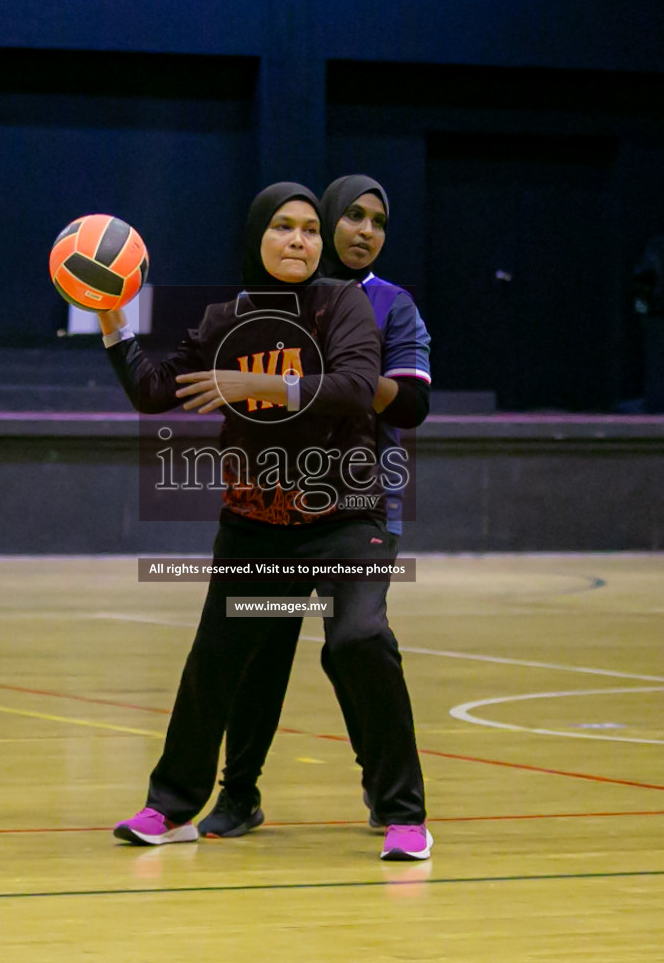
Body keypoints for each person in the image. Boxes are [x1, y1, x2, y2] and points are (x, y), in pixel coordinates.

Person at [100, 182, 432, 861]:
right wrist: (112, 322)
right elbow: (155, 390)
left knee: (360, 638)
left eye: (311, 230)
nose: (300, 241)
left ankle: (403, 814)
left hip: (344, 516)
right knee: (216, 662)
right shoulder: (226, 318)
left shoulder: (342, 304)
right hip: (254, 524)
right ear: (257, 237)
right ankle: (170, 805)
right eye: (283, 227)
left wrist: (253, 385)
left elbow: (351, 386)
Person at [197, 174, 433, 840]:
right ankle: (237, 795)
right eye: (352, 216)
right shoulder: (270, 301)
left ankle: (390, 798)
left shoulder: (391, 305)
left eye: (378, 221)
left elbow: (413, 403)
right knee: (259, 645)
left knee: (353, 642)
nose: (364, 231)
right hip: (270, 511)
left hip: (356, 508)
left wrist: (341, 384)